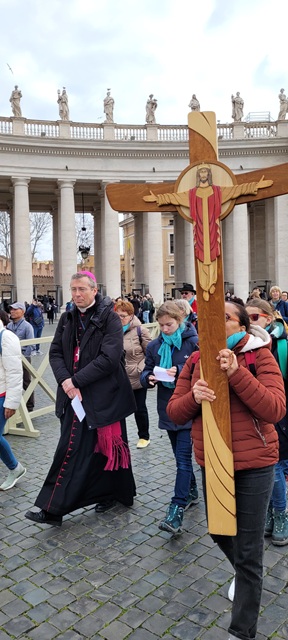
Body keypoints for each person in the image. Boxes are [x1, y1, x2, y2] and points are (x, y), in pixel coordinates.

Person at [167, 301, 286, 640]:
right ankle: (248, 575)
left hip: (255, 464)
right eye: (209, 318)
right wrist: (194, 397)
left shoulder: (259, 355)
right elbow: (175, 412)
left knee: (249, 551)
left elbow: (274, 408)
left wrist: (236, 373)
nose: (216, 324)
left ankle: (241, 631)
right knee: (219, 532)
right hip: (214, 462)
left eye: (226, 318)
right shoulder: (195, 359)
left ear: (242, 325)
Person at [25, 271, 136, 527]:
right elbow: (54, 353)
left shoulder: (110, 318)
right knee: (74, 447)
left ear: (94, 290)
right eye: (73, 289)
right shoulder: (67, 317)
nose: (76, 294)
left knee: (100, 448)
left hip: (102, 395)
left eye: (81, 289)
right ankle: (61, 506)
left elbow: (109, 359)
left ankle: (102, 496)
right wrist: (66, 381)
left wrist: (75, 381)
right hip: (73, 396)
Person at [144, 164, 272, 301]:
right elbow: (174, 197)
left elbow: (236, 191)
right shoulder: (191, 194)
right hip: (199, 231)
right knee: (201, 257)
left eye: (205, 171)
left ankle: (211, 283)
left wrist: (255, 186)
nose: (203, 174)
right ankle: (205, 285)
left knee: (212, 257)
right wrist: (158, 199)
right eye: (201, 172)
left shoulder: (218, 192)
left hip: (212, 230)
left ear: (209, 174)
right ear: (198, 175)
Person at [140, 301, 199, 534]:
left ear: (180, 321)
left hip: (188, 407)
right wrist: (149, 379)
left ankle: (176, 510)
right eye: (161, 325)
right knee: (178, 457)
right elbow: (146, 370)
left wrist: (183, 372)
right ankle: (192, 490)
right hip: (166, 407)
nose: (165, 329)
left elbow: (203, 373)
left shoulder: (194, 343)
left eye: (169, 325)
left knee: (183, 460)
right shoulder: (154, 346)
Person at [245, 298, 288, 545]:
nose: (250, 324)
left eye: (254, 318)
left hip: (280, 412)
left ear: (268, 318)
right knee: (269, 467)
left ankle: (280, 514)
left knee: (277, 467)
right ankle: (273, 513)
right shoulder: (246, 345)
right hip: (256, 412)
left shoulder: (281, 345)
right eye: (246, 319)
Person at [115, 299, 152, 448]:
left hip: (136, 375)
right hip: (119, 377)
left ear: (131, 316)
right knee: (117, 409)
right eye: (117, 315)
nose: (120, 318)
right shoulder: (112, 331)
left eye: (123, 315)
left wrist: (141, 368)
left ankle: (144, 436)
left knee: (139, 408)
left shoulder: (140, 330)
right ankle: (120, 437)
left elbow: (150, 353)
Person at [0, 309, 26, 491]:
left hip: (2, 394)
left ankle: (15, 467)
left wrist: (12, 402)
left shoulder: (6, 337)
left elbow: (15, 372)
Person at [8, 302, 35, 412]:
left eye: (15, 309)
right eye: (11, 310)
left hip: (23, 358)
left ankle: (29, 406)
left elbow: (31, 344)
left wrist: (24, 358)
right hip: (10, 358)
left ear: (22, 311)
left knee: (26, 382)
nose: (12, 312)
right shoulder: (9, 326)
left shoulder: (27, 326)